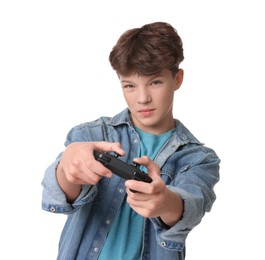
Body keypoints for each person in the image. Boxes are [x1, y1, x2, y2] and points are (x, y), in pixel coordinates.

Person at [41, 21, 220, 260]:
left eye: (155, 82)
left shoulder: (198, 159)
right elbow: (64, 193)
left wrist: (164, 201)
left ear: (177, 79)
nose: (143, 98)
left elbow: (191, 207)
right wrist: (67, 167)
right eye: (130, 85)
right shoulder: (92, 136)